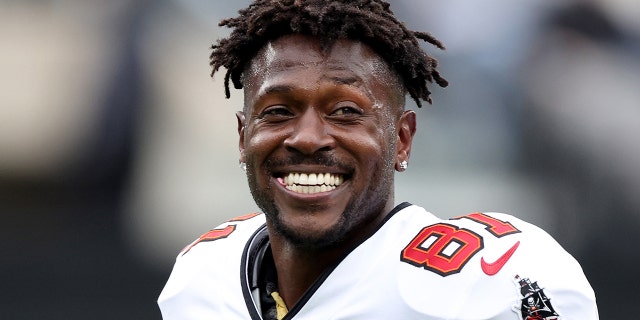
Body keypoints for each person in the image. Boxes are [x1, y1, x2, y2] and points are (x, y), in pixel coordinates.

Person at [158, 1, 598, 319]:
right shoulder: (201, 278)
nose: (307, 138)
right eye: (278, 112)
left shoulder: (491, 279)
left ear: (402, 140)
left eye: (345, 112)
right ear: (243, 136)